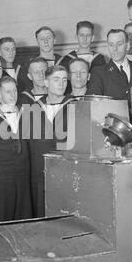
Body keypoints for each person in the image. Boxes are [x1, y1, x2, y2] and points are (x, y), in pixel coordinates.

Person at [29, 65, 75, 217]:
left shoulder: (76, 106)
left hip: (66, 171)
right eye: (56, 80)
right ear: (46, 82)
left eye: (64, 80)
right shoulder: (34, 108)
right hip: (40, 172)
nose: (62, 84)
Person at [0, 76, 32, 222]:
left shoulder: (26, 112)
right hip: (1, 173)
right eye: (8, 91)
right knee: (2, 213)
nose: (13, 95)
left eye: (15, 91)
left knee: (22, 213)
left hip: (22, 171)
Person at [88, 29, 132, 101]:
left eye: (119, 44)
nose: (115, 49)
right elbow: (94, 104)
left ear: (128, 46)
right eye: (111, 45)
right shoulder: (99, 73)